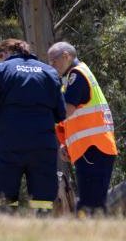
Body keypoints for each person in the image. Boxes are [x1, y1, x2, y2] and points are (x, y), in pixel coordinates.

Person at [0, 38, 66, 214]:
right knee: (43, 201)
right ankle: (42, 235)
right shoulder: (50, 72)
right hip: (42, 144)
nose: (0, 59)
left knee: (5, 200)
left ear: (5, 53)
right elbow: (61, 114)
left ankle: (7, 236)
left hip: (8, 143)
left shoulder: (0, 69)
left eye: (0, 55)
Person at [48, 41, 117, 215]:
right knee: (93, 202)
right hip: (94, 148)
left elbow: (66, 111)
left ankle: (90, 237)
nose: (51, 65)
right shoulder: (78, 75)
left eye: (53, 61)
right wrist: (66, 145)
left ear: (66, 56)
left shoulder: (76, 76)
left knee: (89, 203)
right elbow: (74, 119)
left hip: (92, 148)